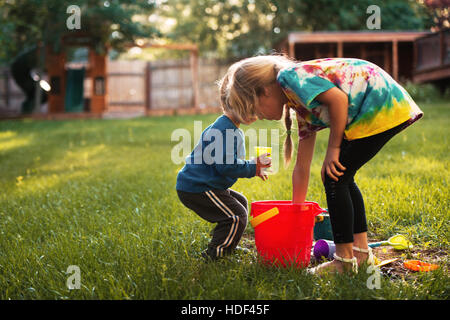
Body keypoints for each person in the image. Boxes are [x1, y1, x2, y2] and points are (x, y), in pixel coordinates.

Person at [218, 55, 423, 273]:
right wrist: (296, 214)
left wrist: (333, 149)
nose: (258, 116)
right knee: (341, 175)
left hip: (379, 102)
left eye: (256, 109)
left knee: (335, 176)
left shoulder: (289, 78)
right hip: (378, 104)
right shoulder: (301, 106)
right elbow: (301, 167)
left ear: (265, 91)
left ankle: (344, 261)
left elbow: (339, 100)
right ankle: (361, 253)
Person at [176, 76, 271, 260]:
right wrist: (252, 166)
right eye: (252, 108)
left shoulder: (229, 127)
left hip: (207, 184)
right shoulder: (224, 130)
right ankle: (216, 255)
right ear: (234, 104)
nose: (256, 113)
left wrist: (254, 166)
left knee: (240, 203)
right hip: (198, 187)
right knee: (235, 216)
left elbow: (228, 162)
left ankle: (228, 244)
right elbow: (227, 166)